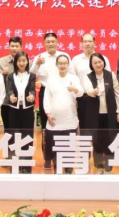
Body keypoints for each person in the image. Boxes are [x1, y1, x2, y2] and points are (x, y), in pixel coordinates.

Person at [30, 32, 70, 170]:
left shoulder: (64, 56)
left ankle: (61, 157)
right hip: (45, 92)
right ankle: (47, 157)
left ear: (57, 42)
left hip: (62, 92)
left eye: (53, 41)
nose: (51, 44)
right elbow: (32, 74)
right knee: (46, 126)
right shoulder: (40, 57)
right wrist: (37, 64)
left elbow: (70, 73)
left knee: (62, 123)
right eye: (48, 42)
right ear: (44, 43)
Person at [43, 55, 84, 174]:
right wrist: (48, 113)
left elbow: (81, 93)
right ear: (56, 65)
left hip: (69, 119)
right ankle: (57, 169)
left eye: (65, 63)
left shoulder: (73, 78)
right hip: (55, 120)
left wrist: (75, 89)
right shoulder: (51, 80)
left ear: (68, 65)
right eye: (60, 63)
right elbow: (47, 98)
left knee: (69, 147)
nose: (62, 65)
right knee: (55, 146)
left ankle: (68, 170)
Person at [82, 53, 119, 174]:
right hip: (95, 115)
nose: (98, 64)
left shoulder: (111, 75)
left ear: (103, 62)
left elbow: (117, 94)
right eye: (95, 63)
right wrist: (93, 92)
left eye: (100, 61)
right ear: (91, 65)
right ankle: (99, 167)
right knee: (97, 141)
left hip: (110, 114)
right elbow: (88, 90)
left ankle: (109, 167)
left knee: (111, 139)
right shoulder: (88, 77)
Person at [70, 33, 111, 127]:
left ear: (94, 42)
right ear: (81, 43)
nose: (87, 44)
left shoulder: (103, 59)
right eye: (85, 41)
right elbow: (73, 79)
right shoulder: (76, 59)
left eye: (90, 41)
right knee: (85, 126)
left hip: (101, 97)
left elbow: (108, 78)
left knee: (100, 126)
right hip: (83, 97)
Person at [6, 51, 37, 173]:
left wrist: (32, 96)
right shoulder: (10, 76)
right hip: (14, 110)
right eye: (19, 61)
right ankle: (15, 165)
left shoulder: (32, 75)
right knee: (14, 137)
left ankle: (27, 166)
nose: (21, 63)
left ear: (27, 62)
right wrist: (11, 96)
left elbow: (32, 89)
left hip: (27, 110)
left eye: (24, 60)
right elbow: (9, 89)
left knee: (28, 137)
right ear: (15, 62)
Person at [0, 37, 23, 141]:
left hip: (22, 102)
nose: (14, 48)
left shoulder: (27, 61)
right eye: (12, 46)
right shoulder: (2, 61)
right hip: (7, 101)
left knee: (22, 129)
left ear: (21, 47)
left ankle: (22, 150)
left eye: (17, 46)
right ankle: (9, 150)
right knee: (8, 130)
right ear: (8, 47)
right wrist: (3, 74)